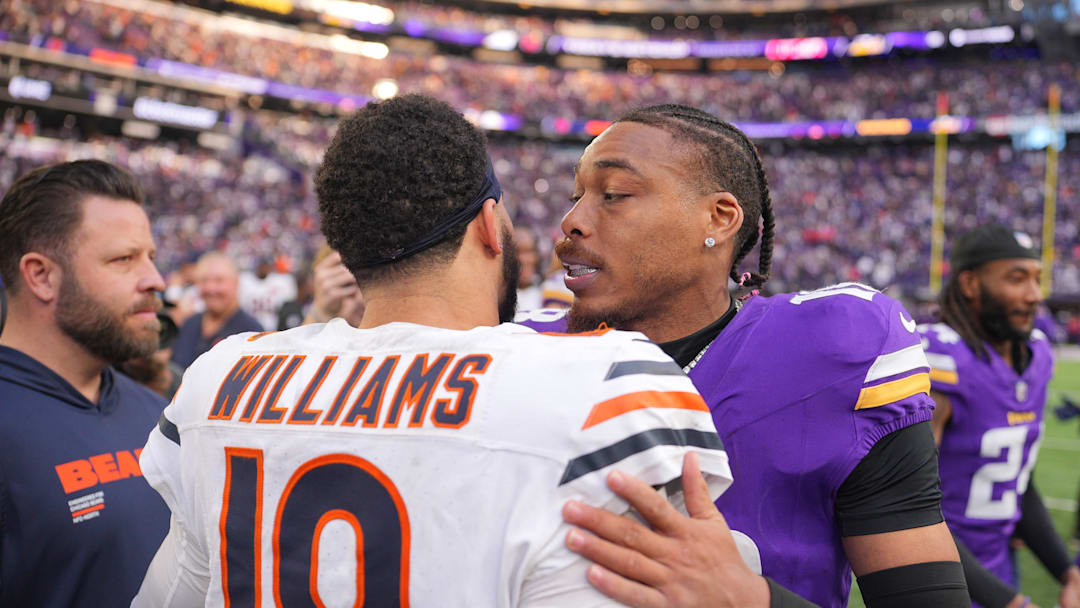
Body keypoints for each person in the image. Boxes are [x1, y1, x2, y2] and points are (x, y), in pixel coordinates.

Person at [132, 94, 742, 606]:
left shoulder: (222, 376)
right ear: (487, 224)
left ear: (348, 247)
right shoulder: (608, 382)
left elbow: (170, 594)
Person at [517, 104, 967, 607]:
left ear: (719, 217)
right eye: (576, 196)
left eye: (614, 195)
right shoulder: (519, 352)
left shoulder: (830, 349)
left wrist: (748, 600)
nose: (570, 222)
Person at [0, 160, 171, 606]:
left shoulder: (155, 412)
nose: (155, 280)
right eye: (124, 259)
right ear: (41, 275)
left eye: (150, 257)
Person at [920, 224, 1080, 608]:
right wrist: (1009, 603)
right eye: (1017, 278)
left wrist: (1067, 572)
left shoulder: (1036, 357)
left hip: (1000, 567)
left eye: (1037, 279)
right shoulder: (941, 362)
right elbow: (908, 507)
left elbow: (1018, 482)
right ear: (971, 284)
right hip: (936, 580)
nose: (1034, 295)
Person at [171, 251, 263, 369]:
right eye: (204, 281)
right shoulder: (189, 324)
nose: (211, 288)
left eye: (219, 280)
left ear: (236, 283)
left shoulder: (252, 332)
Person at [240, 256, 298, 331]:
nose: (264, 269)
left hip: (273, 327)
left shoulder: (280, 282)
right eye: (262, 266)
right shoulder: (245, 281)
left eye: (266, 266)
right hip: (251, 327)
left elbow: (289, 305)